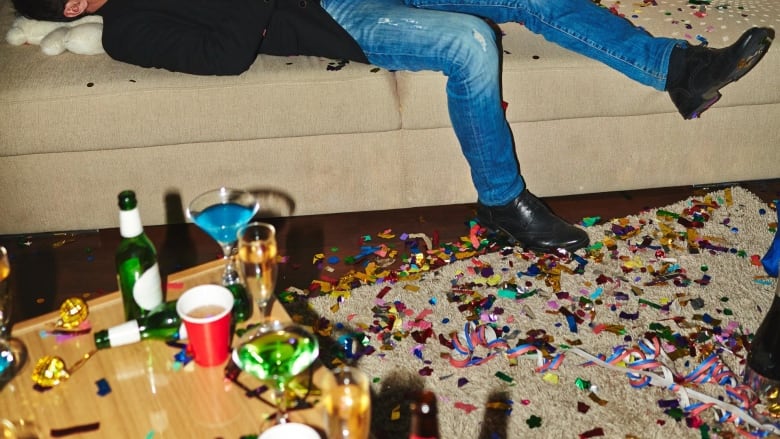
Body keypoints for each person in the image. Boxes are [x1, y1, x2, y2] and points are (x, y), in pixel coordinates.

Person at [11, 0, 774, 254]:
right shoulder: (129, 29)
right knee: (470, 41)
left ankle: (677, 72)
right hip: (328, 16)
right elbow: (223, 54)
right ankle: (502, 201)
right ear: (75, 6)